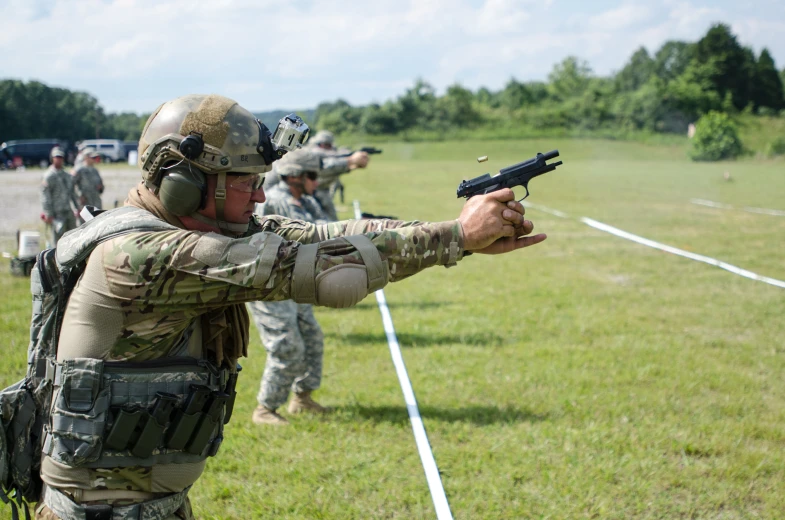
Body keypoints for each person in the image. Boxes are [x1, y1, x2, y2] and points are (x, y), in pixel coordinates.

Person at [34, 93, 545, 520]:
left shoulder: (191, 229)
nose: (259, 198)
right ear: (187, 184)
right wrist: (455, 236)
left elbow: (323, 235)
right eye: (246, 182)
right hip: (101, 510)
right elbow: (328, 272)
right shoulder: (148, 255)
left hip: (143, 501)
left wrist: (457, 235)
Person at [248, 150, 331, 425]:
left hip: (294, 280)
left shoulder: (305, 200)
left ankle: (302, 398)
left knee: (311, 338)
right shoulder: (277, 201)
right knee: (287, 346)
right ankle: (265, 409)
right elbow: (316, 231)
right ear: (295, 176)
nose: (316, 181)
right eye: (312, 176)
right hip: (268, 284)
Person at [305, 130, 369, 220]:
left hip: (323, 192)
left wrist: (352, 165)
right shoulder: (312, 153)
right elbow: (324, 167)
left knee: (332, 224)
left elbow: (334, 166)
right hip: (312, 194)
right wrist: (350, 160)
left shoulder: (330, 151)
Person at [40, 148, 79, 246]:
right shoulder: (49, 176)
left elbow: (72, 193)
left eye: (61, 157)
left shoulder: (66, 175)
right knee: (58, 241)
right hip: (56, 213)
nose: (59, 159)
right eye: (57, 157)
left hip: (67, 211)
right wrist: (48, 213)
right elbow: (45, 196)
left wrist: (77, 208)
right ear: (52, 158)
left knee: (73, 237)